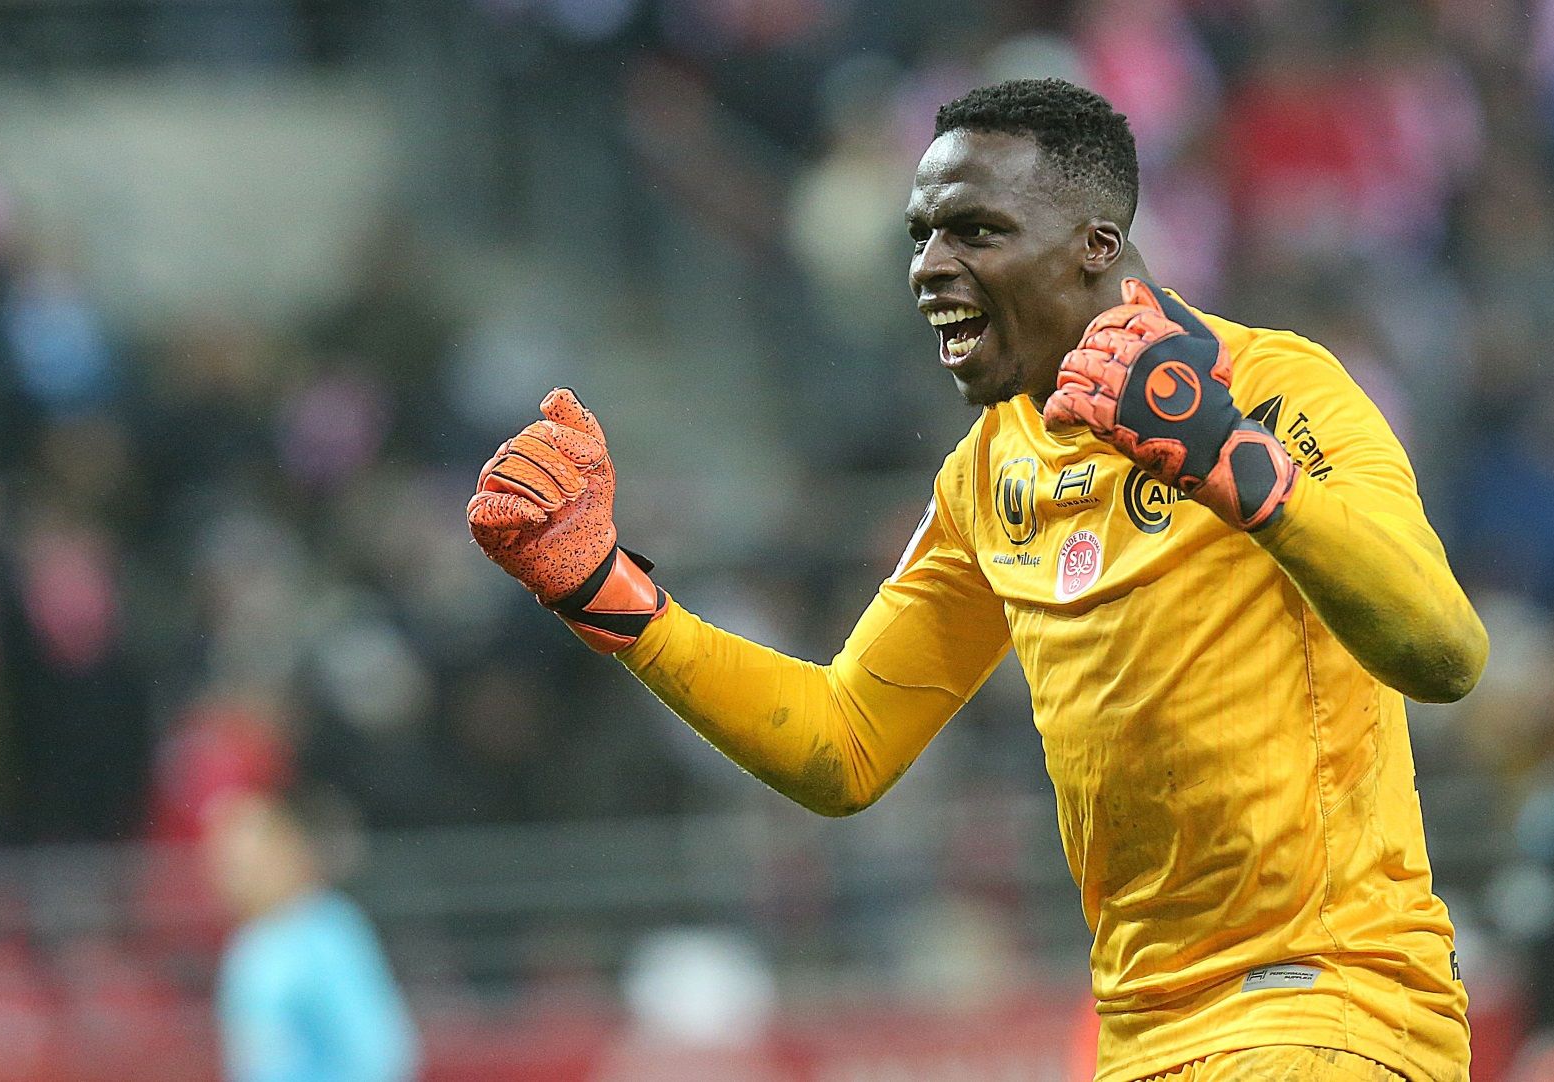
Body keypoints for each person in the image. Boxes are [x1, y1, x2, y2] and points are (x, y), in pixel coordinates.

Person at [465, 78, 1488, 1082]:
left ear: (1097, 245)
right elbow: (845, 743)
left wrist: (1231, 459)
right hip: (1143, 1036)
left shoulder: (1270, 386)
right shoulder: (986, 472)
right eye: (920, 234)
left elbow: (1444, 651)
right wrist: (606, 590)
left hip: (1327, 1008)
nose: (928, 267)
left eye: (976, 232)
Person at [203, 787, 418, 1082]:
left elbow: (376, 1051)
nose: (239, 877)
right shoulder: (248, 945)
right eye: (229, 864)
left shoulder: (327, 933)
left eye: (250, 862)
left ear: (285, 852)